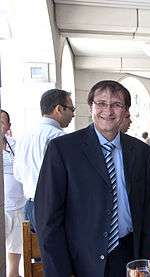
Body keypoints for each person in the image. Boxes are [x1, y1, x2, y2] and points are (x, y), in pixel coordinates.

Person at [34, 80, 150, 277]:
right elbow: (48, 219)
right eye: (101, 103)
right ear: (91, 106)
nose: (108, 111)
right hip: (81, 259)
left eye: (116, 104)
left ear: (125, 111)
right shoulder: (63, 149)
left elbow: (145, 212)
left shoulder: (141, 152)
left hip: (127, 255)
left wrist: (143, 261)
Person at [14, 89, 74, 232]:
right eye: (72, 109)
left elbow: (18, 174)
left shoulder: (25, 136)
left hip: (29, 206)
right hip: (53, 206)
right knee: (57, 252)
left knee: (38, 252)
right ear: (59, 109)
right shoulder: (59, 138)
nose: (73, 114)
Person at [2, 110, 26, 277]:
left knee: (14, 255)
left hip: (18, 206)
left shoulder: (15, 144)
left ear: (9, 126)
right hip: (3, 209)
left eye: (3, 122)